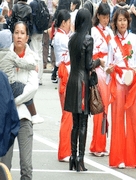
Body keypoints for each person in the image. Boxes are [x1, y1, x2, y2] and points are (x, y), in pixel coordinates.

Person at [64, 8, 105, 172]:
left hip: (72, 80)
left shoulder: (72, 39)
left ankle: (73, 157)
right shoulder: (88, 39)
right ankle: (80, 159)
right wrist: (98, 62)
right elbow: (88, 65)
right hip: (82, 83)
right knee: (83, 123)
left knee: (75, 123)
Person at [0, 21, 40, 180]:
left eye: (22, 33)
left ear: (27, 37)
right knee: (4, 165)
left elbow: (32, 88)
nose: (19, 36)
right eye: (16, 32)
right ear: (12, 35)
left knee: (26, 167)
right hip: (6, 118)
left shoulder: (33, 58)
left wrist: (11, 100)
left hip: (24, 117)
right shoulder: (4, 55)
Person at [107, 7, 136, 168]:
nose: (122, 23)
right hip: (119, 83)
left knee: (134, 118)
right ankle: (119, 157)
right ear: (115, 22)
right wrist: (109, 69)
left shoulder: (134, 38)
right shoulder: (112, 42)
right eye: (119, 20)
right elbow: (108, 64)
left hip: (132, 82)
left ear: (129, 21)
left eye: (124, 20)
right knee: (118, 119)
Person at [0, 29, 43, 124]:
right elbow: (21, 63)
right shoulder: (10, 54)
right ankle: (34, 115)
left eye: (22, 33)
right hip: (11, 84)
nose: (19, 36)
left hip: (1, 85)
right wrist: (33, 66)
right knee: (25, 91)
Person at [89, 2, 114, 157]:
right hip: (98, 71)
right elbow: (91, 53)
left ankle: (102, 143)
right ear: (98, 16)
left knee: (106, 110)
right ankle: (96, 145)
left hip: (109, 72)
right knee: (99, 108)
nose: (106, 20)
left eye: (107, 17)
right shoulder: (93, 31)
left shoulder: (110, 31)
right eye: (103, 17)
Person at [53, 9, 72, 162]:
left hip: (64, 72)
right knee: (68, 114)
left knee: (68, 114)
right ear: (64, 22)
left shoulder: (60, 36)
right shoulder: (61, 37)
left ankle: (66, 149)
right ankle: (64, 151)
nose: (71, 25)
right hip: (65, 72)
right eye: (69, 22)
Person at [29, 0, 44, 85]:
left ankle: (36, 77)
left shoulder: (32, 4)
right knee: (40, 53)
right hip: (40, 31)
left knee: (34, 53)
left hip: (34, 31)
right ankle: (40, 77)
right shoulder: (42, 3)